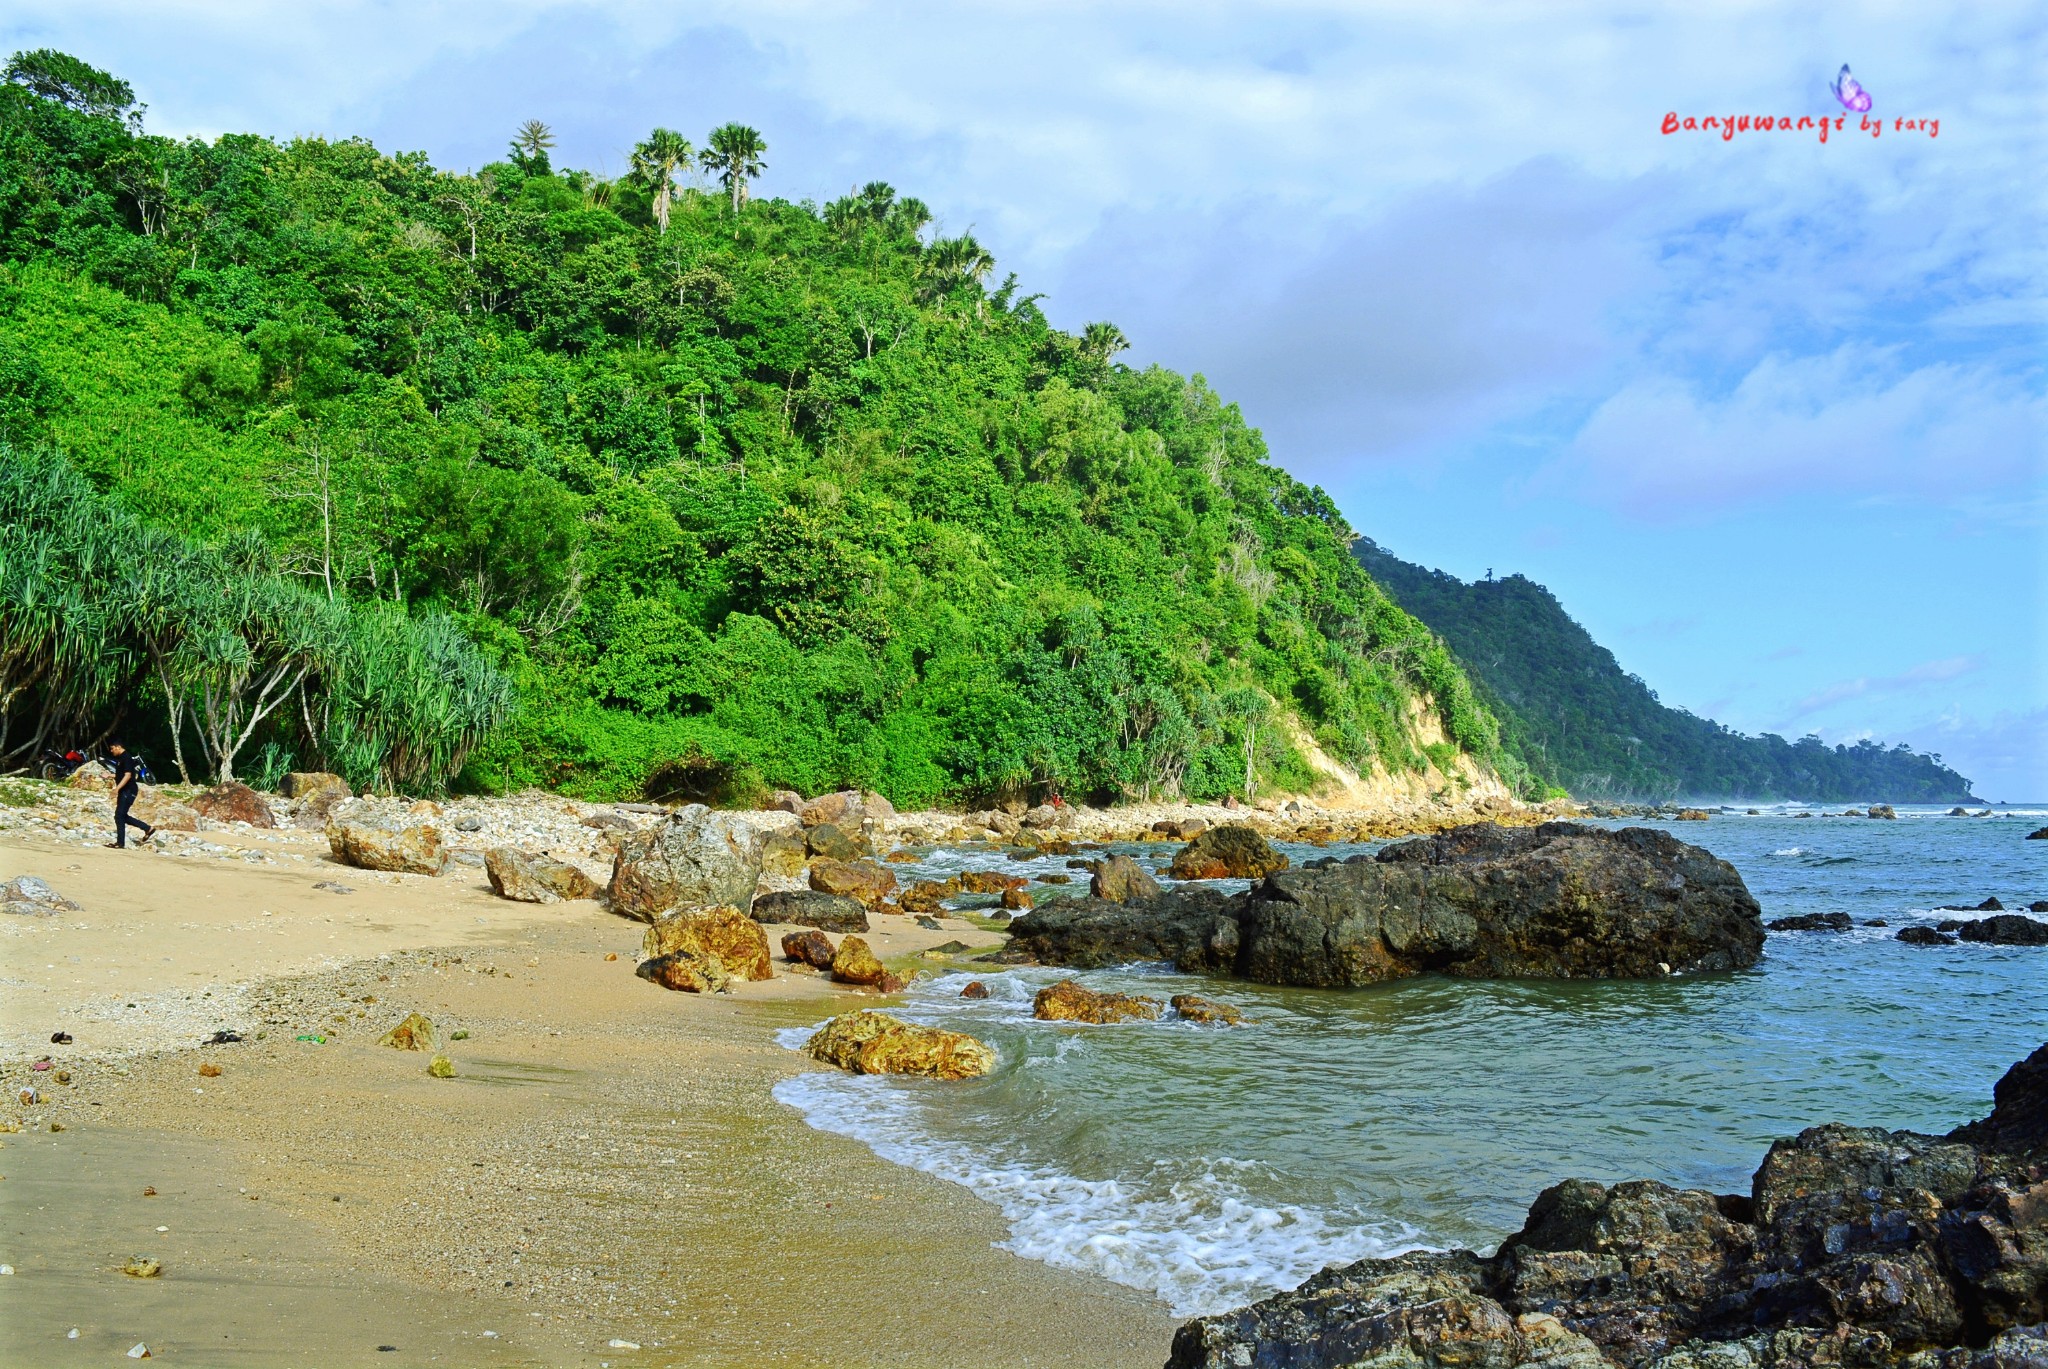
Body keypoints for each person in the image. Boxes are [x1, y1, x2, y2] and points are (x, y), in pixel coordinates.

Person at [107, 740, 154, 849]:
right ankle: (147, 829)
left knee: (119, 816)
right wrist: (110, 776)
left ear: (118, 747)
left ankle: (120, 843)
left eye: (112, 748)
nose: (111, 751)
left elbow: (128, 775)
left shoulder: (126, 758)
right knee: (121, 816)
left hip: (128, 790)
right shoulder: (121, 759)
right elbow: (121, 774)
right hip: (125, 790)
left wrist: (116, 789)